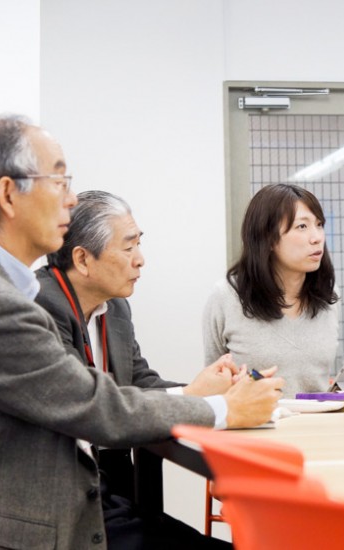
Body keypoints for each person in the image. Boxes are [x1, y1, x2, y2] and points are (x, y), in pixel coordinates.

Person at [0, 116, 282, 549]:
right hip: (45, 529)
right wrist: (224, 409)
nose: (71, 199)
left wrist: (205, 396)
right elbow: (96, 407)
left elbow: (119, 389)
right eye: (59, 180)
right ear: (9, 194)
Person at [36, 190, 244, 549]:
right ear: (83, 259)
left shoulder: (113, 308)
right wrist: (197, 400)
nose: (141, 260)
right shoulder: (41, 306)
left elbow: (139, 381)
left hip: (108, 487)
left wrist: (206, 388)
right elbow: (88, 407)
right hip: (63, 499)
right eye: (129, 247)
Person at [204, 183, 340, 398]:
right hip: (252, 425)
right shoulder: (226, 296)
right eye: (302, 227)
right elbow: (212, 383)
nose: (317, 237)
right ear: (267, 239)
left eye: (319, 224)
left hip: (318, 426)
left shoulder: (329, 297)